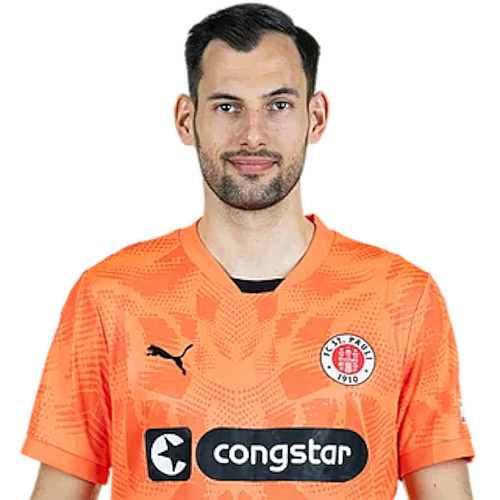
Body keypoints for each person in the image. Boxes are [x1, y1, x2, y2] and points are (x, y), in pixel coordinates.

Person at [16, 2, 479, 499]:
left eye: (278, 105)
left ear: (318, 117)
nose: (252, 135)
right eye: (227, 106)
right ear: (184, 119)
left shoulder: (403, 296)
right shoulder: (109, 294)